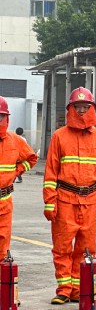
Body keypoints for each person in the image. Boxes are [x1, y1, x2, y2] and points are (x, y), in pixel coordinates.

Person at [43, 87, 96, 305]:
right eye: (77, 107)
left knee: (86, 248)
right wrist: (49, 202)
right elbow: (51, 172)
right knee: (62, 247)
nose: (81, 111)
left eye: (85, 107)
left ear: (92, 109)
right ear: (70, 109)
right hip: (65, 199)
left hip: (89, 201)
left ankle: (81, 289)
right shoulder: (59, 136)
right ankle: (64, 289)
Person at [0, 98, 37, 256]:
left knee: (2, 248)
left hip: (4, 204)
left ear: (6, 118)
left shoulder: (15, 141)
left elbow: (32, 158)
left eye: (0, 116)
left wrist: (17, 171)